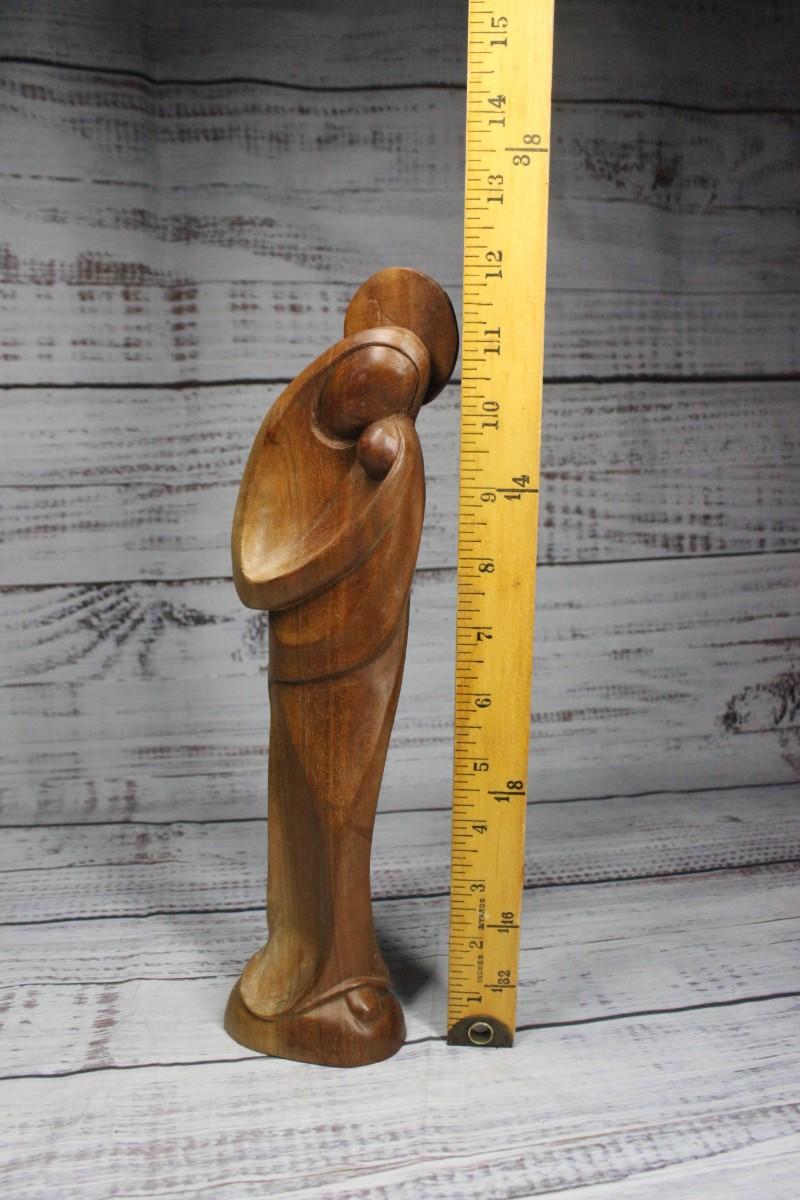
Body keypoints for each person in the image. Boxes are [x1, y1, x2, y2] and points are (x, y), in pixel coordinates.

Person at [225, 269, 458, 1066]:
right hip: (311, 653)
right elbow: (259, 569)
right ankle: (301, 963)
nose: (384, 401)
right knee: (305, 803)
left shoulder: (392, 452)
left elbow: (375, 556)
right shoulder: (304, 433)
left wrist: (387, 477)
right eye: (375, 381)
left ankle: (341, 971)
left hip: (359, 659)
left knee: (340, 813)